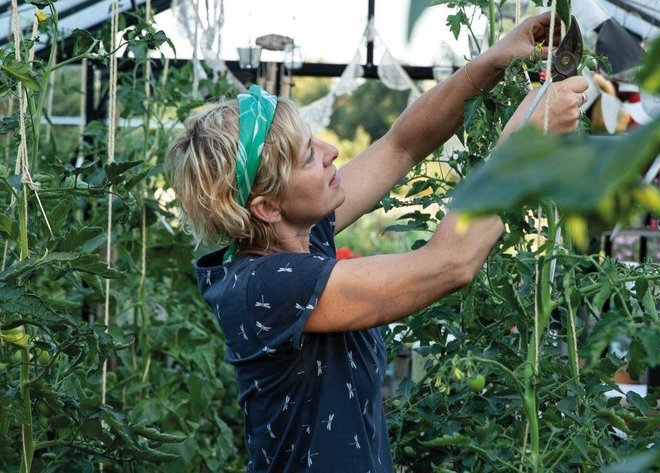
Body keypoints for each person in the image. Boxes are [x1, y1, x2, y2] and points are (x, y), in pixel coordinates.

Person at [165, 12, 588, 473]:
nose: (331, 152)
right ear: (267, 206)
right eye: (309, 155)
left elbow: (401, 145)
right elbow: (448, 263)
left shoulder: (295, 240)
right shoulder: (267, 286)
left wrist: (491, 61)